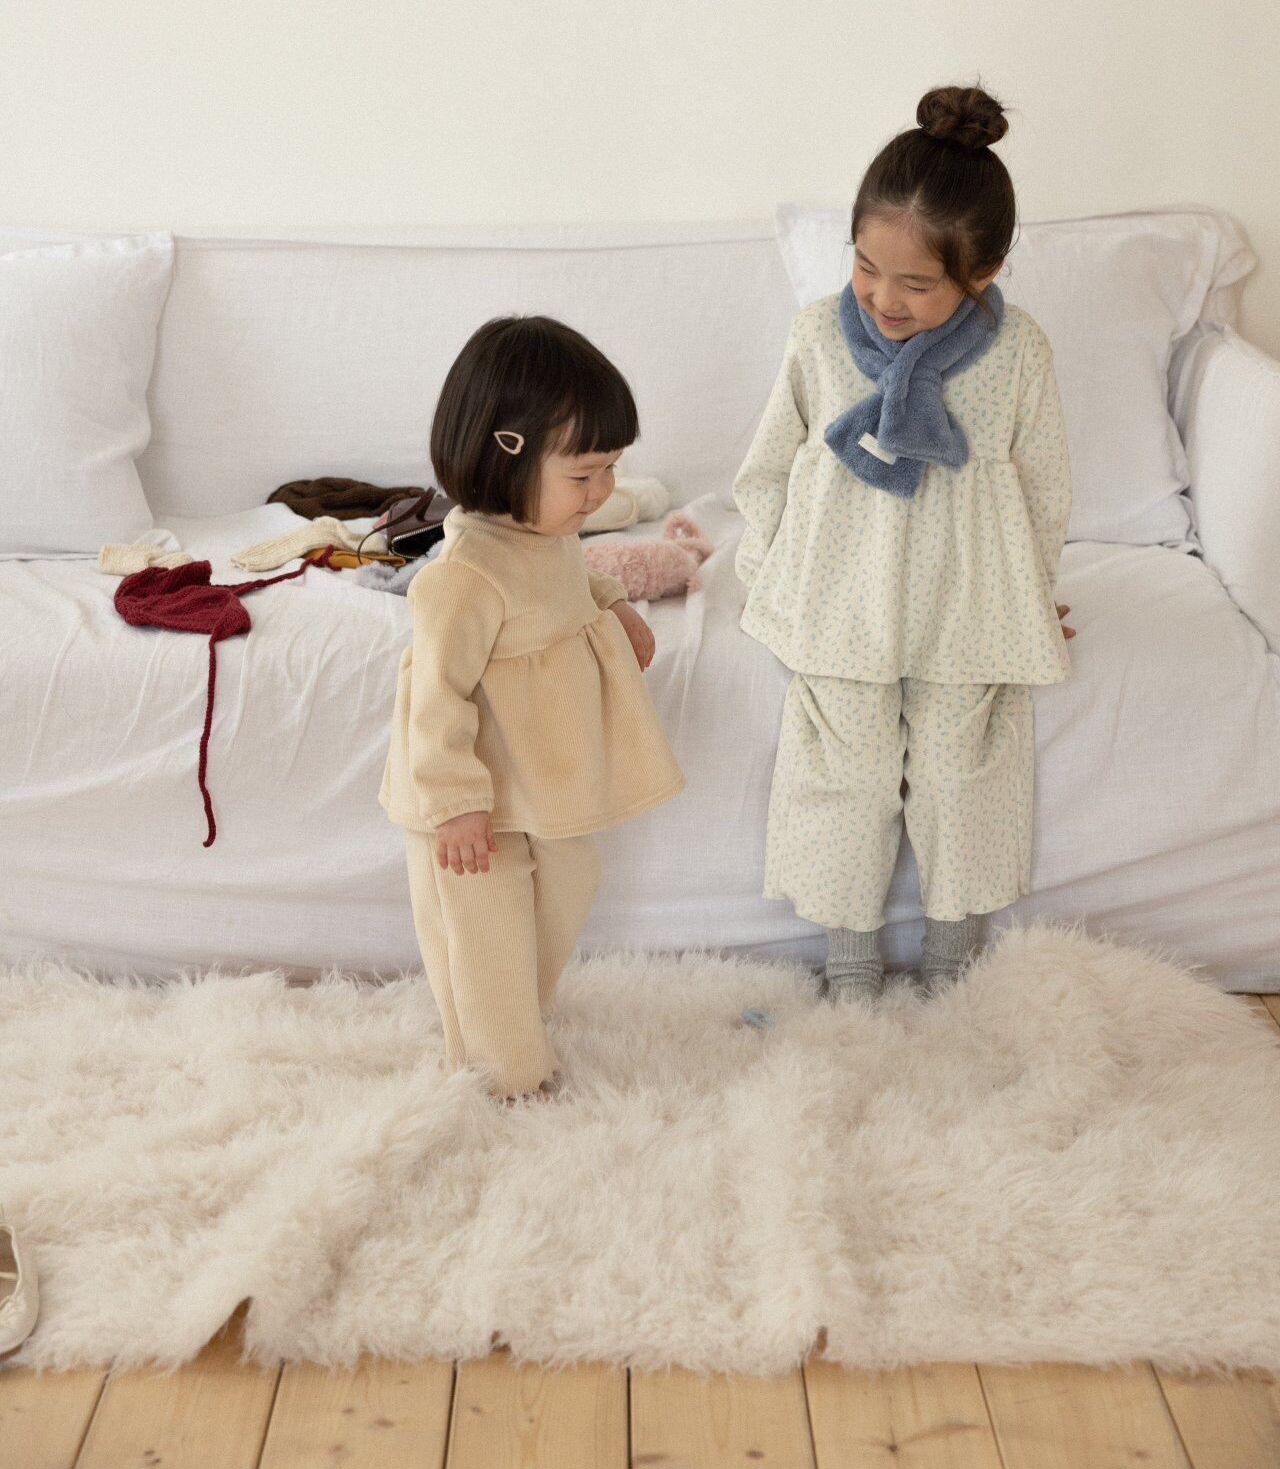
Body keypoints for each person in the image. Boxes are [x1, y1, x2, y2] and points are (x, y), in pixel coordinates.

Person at [733, 82, 1076, 1002]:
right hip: (839, 598)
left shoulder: (1019, 353)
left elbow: (1043, 489)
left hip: (966, 605)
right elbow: (766, 469)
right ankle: (850, 957)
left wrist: (1032, 593)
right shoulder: (818, 337)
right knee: (845, 775)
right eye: (865, 267)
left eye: (917, 284)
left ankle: (954, 951)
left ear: (982, 273)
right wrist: (769, 573)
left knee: (965, 774)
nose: (884, 297)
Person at [379, 315, 685, 1102]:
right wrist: (454, 803)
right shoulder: (461, 580)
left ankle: (518, 1017)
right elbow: (436, 703)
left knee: (571, 878)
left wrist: (615, 605)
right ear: (504, 453)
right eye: (584, 475)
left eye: (611, 469)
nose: (602, 492)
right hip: (470, 797)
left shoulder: (547, 533)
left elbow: (572, 577)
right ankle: (503, 1072)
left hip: (539, 776)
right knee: (484, 930)